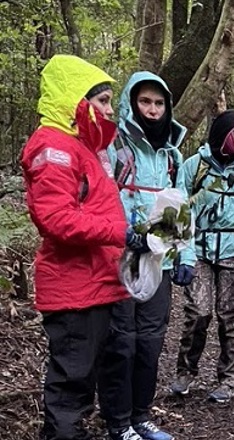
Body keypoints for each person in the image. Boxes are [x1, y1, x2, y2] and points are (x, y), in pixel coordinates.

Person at [20, 54, 133, 440]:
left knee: (85, 384)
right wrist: (123, 234)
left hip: (99, 281)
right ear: (76, 101)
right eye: (101, 100)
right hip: (73, 288)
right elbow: (56, 219)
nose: (109, 108)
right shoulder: (53, 146)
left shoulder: (86, 148)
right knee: (71, 386)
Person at [98, 71, 194, 440]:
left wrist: (185, 256)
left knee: (151, 343)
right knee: (121, 342)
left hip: (160, 262)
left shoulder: (172, 154)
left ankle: (141, 416)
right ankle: (119, 422)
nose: (153, 110)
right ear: (131, 104)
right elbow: (103, 197)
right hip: (122, 258)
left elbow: (181, 207)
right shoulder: (114, 147)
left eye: (159, 103)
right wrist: (126, 235)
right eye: (145, 102)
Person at [171, 109, 234, 403]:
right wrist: (183, 255)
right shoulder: (193, 167)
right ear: (222, 134)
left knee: (230, 317)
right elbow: (181, 212)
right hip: (199, 250)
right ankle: (184, 373)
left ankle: (228, 380)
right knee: (198, 313)